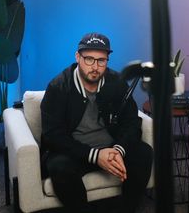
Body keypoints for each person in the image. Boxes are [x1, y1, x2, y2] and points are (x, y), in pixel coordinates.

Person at [40, 33, 153, 213]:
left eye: (101, 61)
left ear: (107, 60)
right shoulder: (58, 87)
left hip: (110, 149)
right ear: (78, 57)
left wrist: (117, 150)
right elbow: (53, 136)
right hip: (76, 152)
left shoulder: (116, 82)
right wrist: (94, 155)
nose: (95, 67)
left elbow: (131, 122)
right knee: (58, 166)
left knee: (144, 153)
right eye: (89, 59)